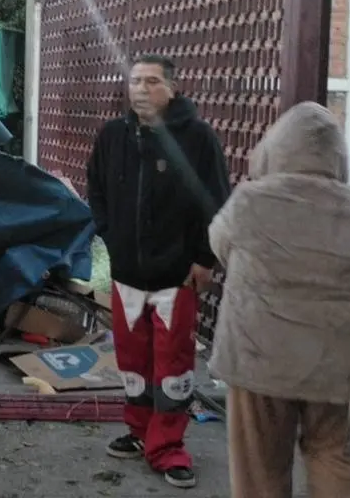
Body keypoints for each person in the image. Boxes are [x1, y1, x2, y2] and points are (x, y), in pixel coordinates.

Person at [209, 102, 350, 498]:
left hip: (259, 360)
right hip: (342, 367)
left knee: (260, 470)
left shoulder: (251, 200)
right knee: (339, 465)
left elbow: (219, 245)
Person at [86, 54, 230, 489]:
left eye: (151, 82)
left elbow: (218, 201)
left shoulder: (199, 139)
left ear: (172, 89)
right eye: (135, 82)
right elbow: (96, 188)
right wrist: (110, 236)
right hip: (127, 273)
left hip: (176, 277)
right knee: (131, 361)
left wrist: (206, 259)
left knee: (173, 366)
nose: (141, 90)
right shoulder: (113, 136)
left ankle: (168, 448)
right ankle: (138, 429)